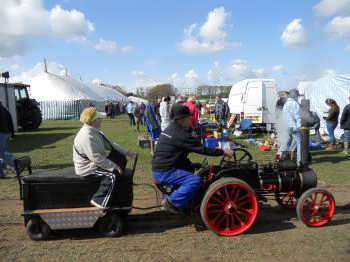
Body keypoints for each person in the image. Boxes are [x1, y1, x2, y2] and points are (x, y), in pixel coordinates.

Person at [152, 105, 233, 213]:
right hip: (164, 171)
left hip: (161, 166)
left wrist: (191, 165)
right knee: (195, 181)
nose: (191, 118)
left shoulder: (171, 128)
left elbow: (174, 153)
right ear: (181, 119)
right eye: (189, 117)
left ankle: (184, 198)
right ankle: (171, 202)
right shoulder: (181, 134)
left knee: (191, 168)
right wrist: (223, 151)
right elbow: (202, 149)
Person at [73, 107, 129, 208]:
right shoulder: (87, 136)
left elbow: (111, 145)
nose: (101, 121)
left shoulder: (95, 131)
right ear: (94, 121)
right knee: (112, 175)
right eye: (100, 119)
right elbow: (96, 158)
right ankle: (98, 201)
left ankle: (117, 188)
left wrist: (128, 152)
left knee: (120, 157)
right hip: (87, 168)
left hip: (94, 162)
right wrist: (114, 167)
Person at [278, 89, 302, 164]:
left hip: (286, 126)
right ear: (295, 96)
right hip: (293, 127)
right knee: (299, 143)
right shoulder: (294, 104)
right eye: (297, 96)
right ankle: (299, 161)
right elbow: (298, 117)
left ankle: (278, 157)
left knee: (285, 143)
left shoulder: (286, 103)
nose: (297, 97)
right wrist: (298, 127)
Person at [0, 102, 15, 178]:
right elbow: (11, 122)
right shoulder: (5, 110)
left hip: (1, 133)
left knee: (2, 154)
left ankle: (15, 164)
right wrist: (12, 134)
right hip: (6, 133)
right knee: (3, 152)